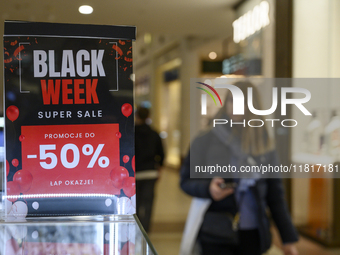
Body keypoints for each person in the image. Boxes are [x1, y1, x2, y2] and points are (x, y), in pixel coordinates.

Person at [180, 81, 299, 255]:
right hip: (216, 233)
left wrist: (288, 239)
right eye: (231, 101)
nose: (236, 107)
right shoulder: (205, 139)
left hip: (254, 234)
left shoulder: (263, 144)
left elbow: (275, 195)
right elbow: (185, 181)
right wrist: (208, 188)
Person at [135, 106, 165, 232]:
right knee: (148, 203)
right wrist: (159, 168)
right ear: (148, 116)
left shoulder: (131, 133)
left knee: (135, 203)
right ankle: (145, 230)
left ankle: (136, 229)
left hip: (135, 174)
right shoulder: (154, 134)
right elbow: (162, 154)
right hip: (150, 172)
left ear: (136, 116)